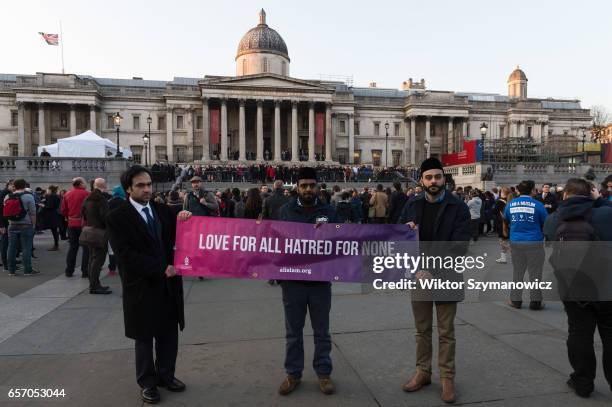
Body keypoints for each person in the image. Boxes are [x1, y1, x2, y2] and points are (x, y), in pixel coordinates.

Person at [106, 165, 192, 404]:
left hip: (169, 285)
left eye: (149, 184)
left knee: (168, 334)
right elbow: (125, 255)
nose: (147, 189)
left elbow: (179, 238)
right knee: (144, 338)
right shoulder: (117, 216)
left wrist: (185, 220)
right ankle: (148, 382)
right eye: (140, 186)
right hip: (142, 286)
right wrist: (159, 269)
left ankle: (166, 375)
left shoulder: (163, 210)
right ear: (128, 189)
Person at [398, 157, 471, 404]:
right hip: (418, 277)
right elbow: (398, 239)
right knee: (422, 330)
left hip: (446, 277)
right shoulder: (412, 204)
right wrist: (405, 231)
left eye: (437, 177)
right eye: (428, 177)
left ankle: (447, 377)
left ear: (444, 179)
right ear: (421, 180)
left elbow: (459, 245)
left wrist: (431, 268)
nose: (433, 182)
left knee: (446, 331)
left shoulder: (458, 206)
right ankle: (423, 371)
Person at [543, 178, 612, 398]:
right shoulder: (606, 213)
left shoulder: (555, 218)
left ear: (565, 195)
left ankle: (582, 382)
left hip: (573, 286)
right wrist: (598, 202)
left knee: (579, 333)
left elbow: (549, 238)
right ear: (591, 193)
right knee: (610, 335)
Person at [277, 167, 338, 396]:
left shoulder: (329, 211)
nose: (308, 189)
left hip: (320, 282)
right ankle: (293, 374)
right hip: (293, 282)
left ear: (317, 186)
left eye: (312, 185)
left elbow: (345, 240)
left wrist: (330, 232)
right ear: (297, 187)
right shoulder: (285, 211)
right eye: (304, 185)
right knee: (293, 332)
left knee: (322, 331)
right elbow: (274, 243)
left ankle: (324, 373)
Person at [503, 180, 548, 310]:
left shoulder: (510, 204)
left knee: (518, 272)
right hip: (534, 242)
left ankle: (516, 301)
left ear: (518, 191)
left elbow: (506, 219)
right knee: (535, 273)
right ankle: (535, 302)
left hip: (516, 242)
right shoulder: (538, 205)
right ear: (533, 190)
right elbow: (546, 221)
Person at [4, 178, 38, 276]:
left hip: (12, 224)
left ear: (14, 185)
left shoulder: (7, 196)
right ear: (25, 186)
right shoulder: (29, 196)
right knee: (26, 248)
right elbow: (33, 213)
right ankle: (27, 270)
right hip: (26, 225)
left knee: (11, 247)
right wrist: (34, 225)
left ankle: (11, 270)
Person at [61, 177, 90, 278]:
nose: (86, 183)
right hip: (84, 224)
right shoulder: (87, 194)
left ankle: (69, 270)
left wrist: (68, 217)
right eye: (84, 182)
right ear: (81, 184)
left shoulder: (67, 194)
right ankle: (85, 271)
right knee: (86, 249)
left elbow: (63, 210)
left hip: (71, 223)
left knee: (73, 248)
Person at [38, 185, 61, 251]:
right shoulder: (56, 196)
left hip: (51, 215)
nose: (47, 190)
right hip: (55, 214)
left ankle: (56, 245)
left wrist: (42, 205)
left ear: (50, 190)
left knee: (54, 230)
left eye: (48, 189)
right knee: (54, 230)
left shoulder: (51, 196)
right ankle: (56, 245)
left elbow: (49, 206)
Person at [494, 187, 514, 263]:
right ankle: (503, 258)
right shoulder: (512, 201)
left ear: (502, 193)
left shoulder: (499, 201)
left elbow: (494, 211)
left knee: (502, 241)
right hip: (510, 223)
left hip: (502, 223)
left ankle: (515, 254)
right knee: (506, 240)